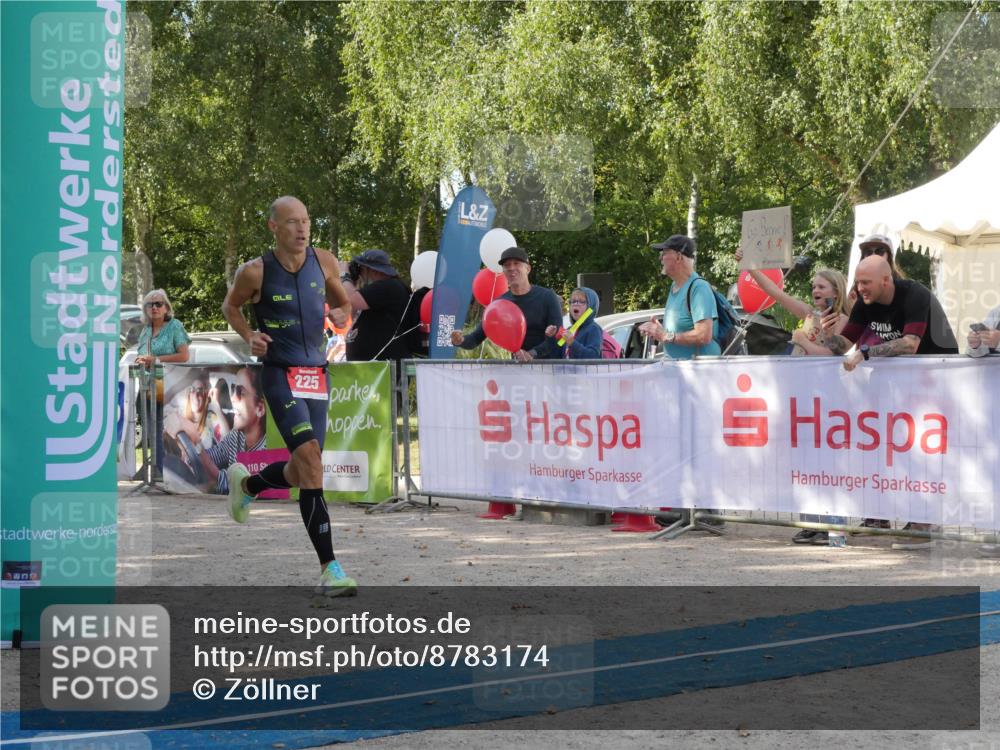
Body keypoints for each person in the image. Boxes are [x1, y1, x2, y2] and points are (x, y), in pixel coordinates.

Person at [221, 195, 358, 597]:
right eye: (293, 222)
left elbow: (344, 303)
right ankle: (330, 568)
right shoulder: (255, 272)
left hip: (316, 374)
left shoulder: (326, 260)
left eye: (307, 221)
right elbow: (231, 306)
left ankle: (247, 486)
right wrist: (249, 335)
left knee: (304, 469)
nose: (302, 229)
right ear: (274, 228)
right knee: (311, 461)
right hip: (280, 373)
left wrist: (340, 314)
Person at [823, 254, 958, 549]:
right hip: (897, 385)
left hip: (934, 380)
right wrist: (823, 334)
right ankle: (879, 516)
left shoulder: (914, 294)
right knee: (885, 446)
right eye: (858, 282)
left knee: (921, 448)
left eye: (866, 282)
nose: (859, 288)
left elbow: (911, 344)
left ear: (886, 280)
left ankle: (923, 523)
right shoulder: (864, 302)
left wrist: (866, 354)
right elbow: (843, 344)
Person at [451, 246, 564, 361]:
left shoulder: (547, 297)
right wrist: (460, 341)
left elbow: (559, 336)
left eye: (516, 263)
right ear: (503, 271)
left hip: (548, 369)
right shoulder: (498, 305)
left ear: (528, 269)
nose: (511, 268)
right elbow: (475, 339)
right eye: (507, 265)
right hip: (517, 371)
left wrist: (532, 354)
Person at [734, 247, 852, 356]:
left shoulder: (841, 319)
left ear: (836, 292)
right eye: (814, 287)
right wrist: (749, 266)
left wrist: (802, 340)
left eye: (821, 287)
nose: (815, 290)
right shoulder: (809, 313)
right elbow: (774, 291)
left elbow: (830, 354)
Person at [134, 289, 190, 474]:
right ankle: (156, 469)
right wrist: (141, 360)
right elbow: (144, 355)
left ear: (167, 308)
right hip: (148, 387)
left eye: (159, 304)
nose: (154, 307)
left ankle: (168, 471)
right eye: (149, 304)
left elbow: (184, 356)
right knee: (152, 429)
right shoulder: (145, 331)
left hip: (170, 386)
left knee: (164, 429)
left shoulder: (175, 326)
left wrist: (155, 360)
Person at [638, 235, 719, 360]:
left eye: (664, 253)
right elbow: (678, 330)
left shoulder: (699, 288)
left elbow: (704, 335)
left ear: (678, 257)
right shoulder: (674, 286)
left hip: (699, 374)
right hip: (679, 373)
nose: (660, 258)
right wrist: (659, 330)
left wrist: (667, 335)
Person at [188, 366, 266, 493]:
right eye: (234, 389)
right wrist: (189, 452)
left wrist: (195, 443)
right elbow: (214, 455)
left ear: (260, 408)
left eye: (241, 391)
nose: (233, 398)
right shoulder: (236, 436)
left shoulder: (268, 447)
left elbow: (232, 484)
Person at [334, 249, 413, 365]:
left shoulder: (389, 286)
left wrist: (344, 275)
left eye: (362, 268)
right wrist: (352, 282)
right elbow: (349, 311)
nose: (360, 272)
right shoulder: (381, 290)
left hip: (385, 371)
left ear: (373, 270)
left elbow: (350, 300)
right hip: (374, 371)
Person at [545, 287, 604, 359]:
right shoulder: (570, 329)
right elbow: (557, 356)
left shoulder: (594, 329)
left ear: (591, 306)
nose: (576, 304)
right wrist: (552, 338)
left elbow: (593, 356)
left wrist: (572, 343)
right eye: (573, 301)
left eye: (582, 301)